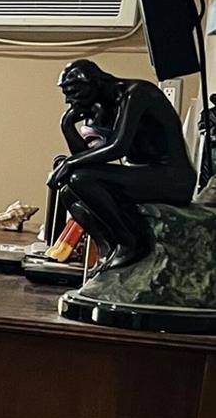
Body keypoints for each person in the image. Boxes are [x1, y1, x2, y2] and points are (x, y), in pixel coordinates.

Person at [47, 59, 195, 269]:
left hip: (172, 178)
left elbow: (119, 148)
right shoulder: (100, 106)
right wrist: (67, 125)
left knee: (80, 178)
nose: (70, 101)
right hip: (143, 174)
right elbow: (88, 160)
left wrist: (70, 163)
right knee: (69, 191)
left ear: (94, 83)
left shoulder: (136, 93)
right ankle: (108, 248)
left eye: (74, 93)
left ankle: (130, 242)